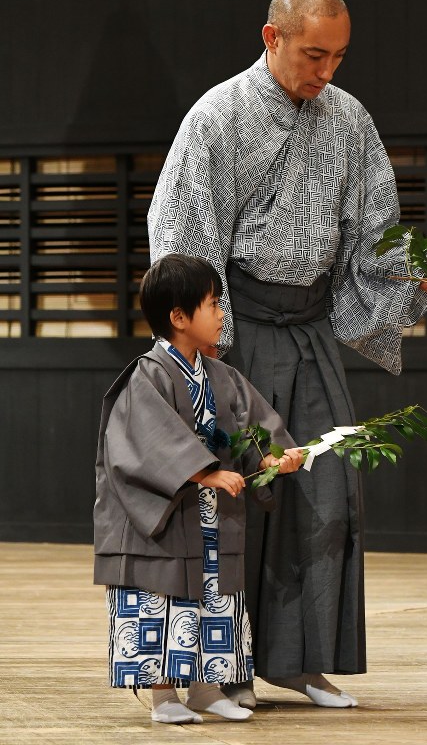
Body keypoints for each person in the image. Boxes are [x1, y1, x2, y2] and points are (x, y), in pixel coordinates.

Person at [148, 0, 427, 708]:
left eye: (338, 57)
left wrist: (412, 281)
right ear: (272, 38)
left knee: (326, 489)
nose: (327, 72)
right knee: (236, 496)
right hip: (234, 329)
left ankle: (299, 658)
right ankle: (217, 669)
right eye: (315, 54)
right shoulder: (219, 117)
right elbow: (184, 235)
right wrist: (202, 354)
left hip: (308, 329)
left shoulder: (349, 120)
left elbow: (374, 238)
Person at [93, 253, 303, 724]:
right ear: (179, 317)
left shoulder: (220, 375)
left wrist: (273, 458)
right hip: (165, 516)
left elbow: (253, 424)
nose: (221, 313)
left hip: (210, 515)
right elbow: (147, 439)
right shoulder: (146, 375)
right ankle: (164, 696)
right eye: (213, 304)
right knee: (161, 600)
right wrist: (204, 472)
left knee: (214, 598)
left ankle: (206, 689)